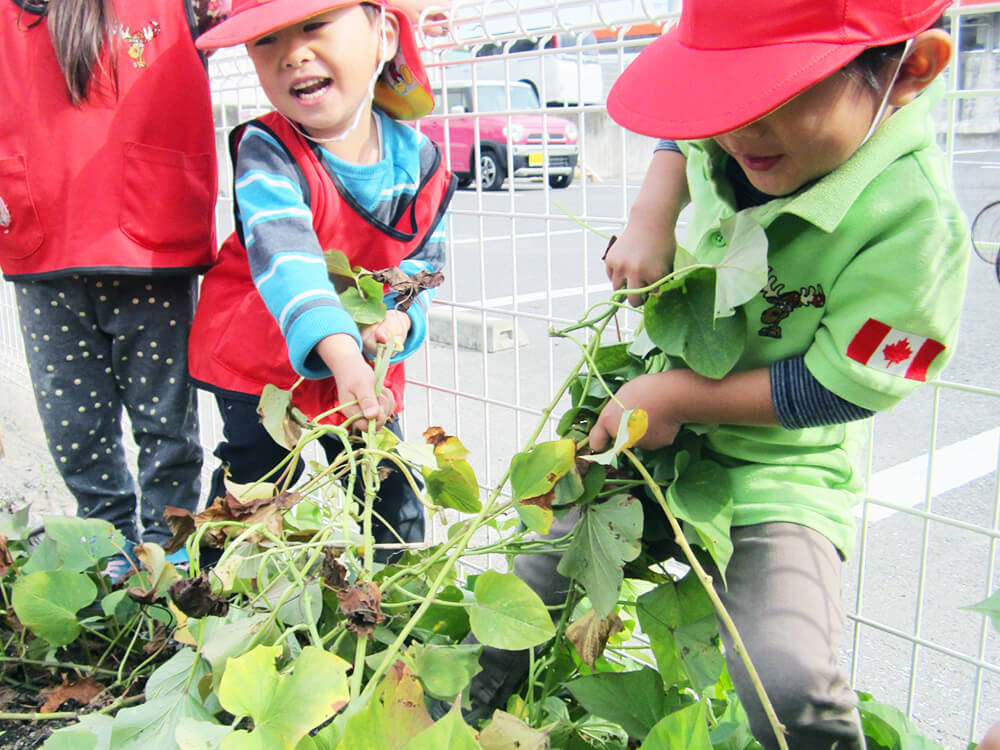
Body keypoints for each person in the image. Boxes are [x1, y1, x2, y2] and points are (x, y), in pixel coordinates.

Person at [455, 1, 971, 748]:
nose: (737, 128)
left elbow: (842, 384)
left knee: (785, 673)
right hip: (654, 424)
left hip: (783, 462)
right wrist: (650, 213)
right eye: (723, 94)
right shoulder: (741, 128)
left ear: (909, 69)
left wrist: (672, 395)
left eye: (778, 93)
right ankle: (447, 719)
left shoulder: (915, 222)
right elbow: (683, 132)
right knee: (533, 583)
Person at [188, 0, 454, 563]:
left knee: (389, 498)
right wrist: (342, 353)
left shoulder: (421, 159)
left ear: (383, 35)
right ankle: (212, 595)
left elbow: (422, 266)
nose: (292, 53)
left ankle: (390, 603)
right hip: (260, 360)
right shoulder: (267, 150)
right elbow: (288, 258)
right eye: (266, 41)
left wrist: (400, 317)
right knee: (252, 484)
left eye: (314, 26)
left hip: (361, 366)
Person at [0, 0, 231, 575]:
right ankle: (107, 550)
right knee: (75, 429)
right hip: (42, 247)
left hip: (148, 249)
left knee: (165, 426)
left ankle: (167, 557)